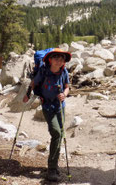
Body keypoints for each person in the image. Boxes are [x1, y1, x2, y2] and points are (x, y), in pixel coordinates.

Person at [23, 48, 71, 182]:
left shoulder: (64, 71)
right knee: (56, 133)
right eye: (57, 58)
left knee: (60, 134)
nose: (60, 61)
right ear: (50, 59)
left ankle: (54, 166)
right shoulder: (44, 71)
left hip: (60, 106)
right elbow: (34, 82)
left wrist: (65, 94)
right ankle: (51, 168)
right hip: (48, 106)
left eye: (62, 59)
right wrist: (27, 94)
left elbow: (67, 86)